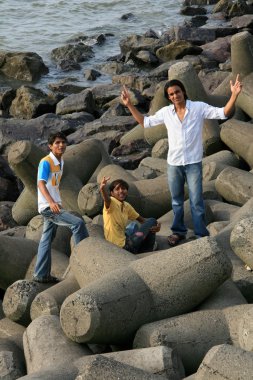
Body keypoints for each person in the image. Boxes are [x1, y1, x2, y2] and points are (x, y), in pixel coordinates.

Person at [121, 75, 242, 246]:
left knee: (196, 200)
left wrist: (234, 95)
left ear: (183, 92)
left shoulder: (198, 107)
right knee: (176, 201)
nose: (174, 96)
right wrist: (129, 105)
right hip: (174, 164)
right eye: (170, 94)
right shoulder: (166, 112)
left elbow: (223, 113)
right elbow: (145, 122)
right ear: (168, 97)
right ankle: (178, 232)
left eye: (177, 92)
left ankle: (201, 234)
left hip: (193, 163)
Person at [33, 132, 89, 283]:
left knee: (46, 239)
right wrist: (51, 202)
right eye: (57, 143)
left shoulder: (61, 162)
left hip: (54, 205)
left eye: (63, 142)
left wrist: (57, 201)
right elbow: (40, 183)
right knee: (78, 223)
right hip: (49, 207)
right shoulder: (46, 162)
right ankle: (83, 262)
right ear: (50, 146)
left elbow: (54, 185)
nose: (61, 145)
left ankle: (41, 274)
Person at [100, 176, 161, 253]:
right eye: (117, 189)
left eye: (123, 188)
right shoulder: (111, 202)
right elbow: (107, 199)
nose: (121, 191)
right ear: (112, 193)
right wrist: (102, 189)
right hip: (123, 247)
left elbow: (143, 220)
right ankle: (147, 249)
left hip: (125, 239)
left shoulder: (126, 205)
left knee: (134, 226)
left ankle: (143, 246)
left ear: (127, 191)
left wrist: (156, 226)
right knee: (152, 220)